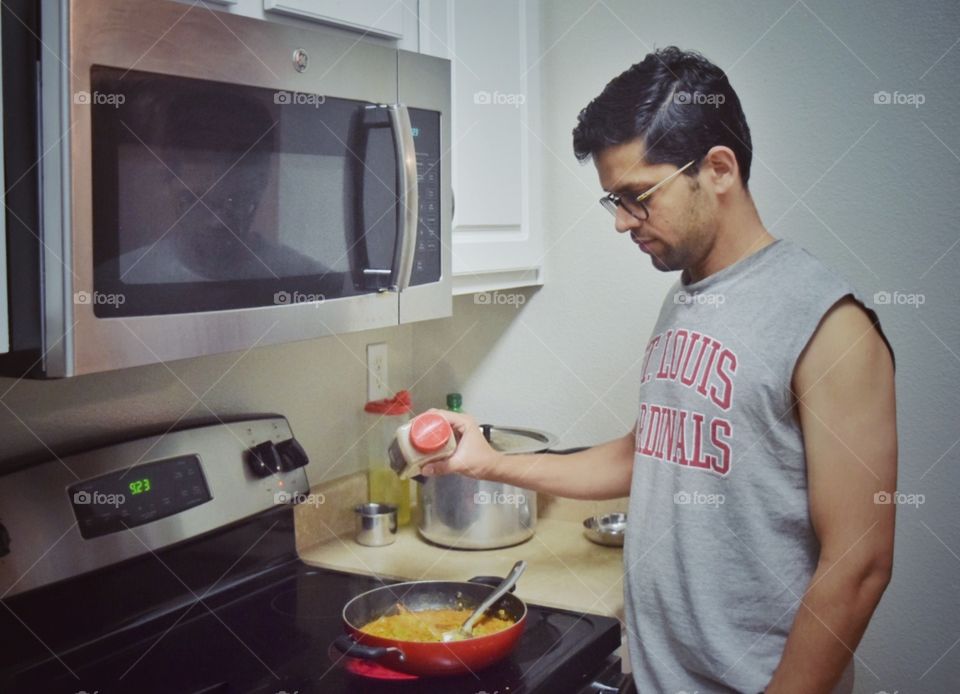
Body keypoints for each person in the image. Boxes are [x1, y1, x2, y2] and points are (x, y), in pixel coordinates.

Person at [421, 47, 897, 694]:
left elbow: (859, 564)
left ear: (719, 169)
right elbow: (645, 455)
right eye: (612, 201)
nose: (621, 222)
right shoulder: (686, 298)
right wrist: (486, 461)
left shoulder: (830, 325)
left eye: (636, 196)